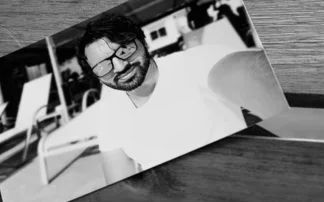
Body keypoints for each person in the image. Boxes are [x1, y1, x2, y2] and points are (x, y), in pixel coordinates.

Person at [75, 13, 289, 185]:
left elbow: (256, 75)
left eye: (124, 50)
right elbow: (121, 185)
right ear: (97, 76)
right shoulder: (110, 113)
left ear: (143, 42)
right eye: (103, 66)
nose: (120, 66)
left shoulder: (195, 63)